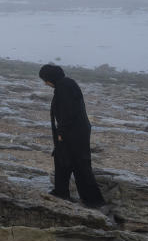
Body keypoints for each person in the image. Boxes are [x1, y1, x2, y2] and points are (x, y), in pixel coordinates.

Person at [39, 64, 106, 208]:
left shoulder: (64, 87)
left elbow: (69, 112)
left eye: (45, 80)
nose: (45, 83)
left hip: (73, 133)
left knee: (80, 165)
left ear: (51, 77)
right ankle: (61, 192)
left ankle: (93, 201)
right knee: (63, 159)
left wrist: (61, 133)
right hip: (77, 131)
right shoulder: (66, 84)